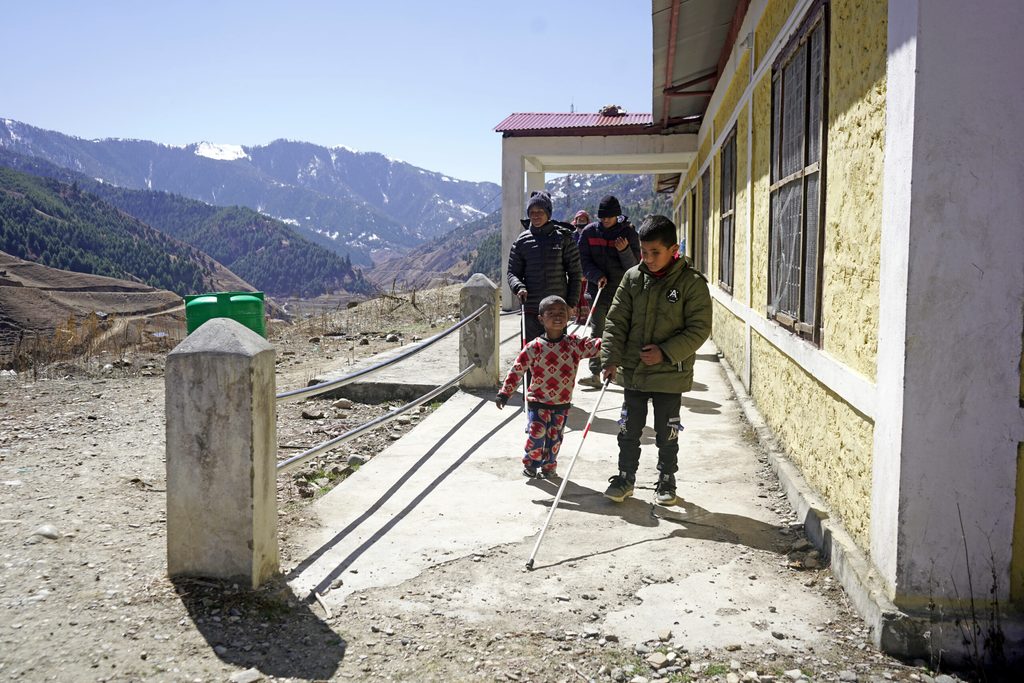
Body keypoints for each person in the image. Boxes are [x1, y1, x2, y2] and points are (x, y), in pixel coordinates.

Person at [599, 214, 712, 506]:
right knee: (629, 428)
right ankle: (625, 477)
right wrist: (610, 358)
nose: (647, 258)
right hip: (633, 371)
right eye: (643, 251)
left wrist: (665, 352)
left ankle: (666, 479)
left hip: (669, 373)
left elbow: (699, 328)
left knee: (667, 430)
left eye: (655, 253)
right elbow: (616, 321)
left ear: (674, 250)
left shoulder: (691, 283)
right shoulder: (632, 278)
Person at [496, 296, 601, 479]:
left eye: (562, 312)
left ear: (569, 315)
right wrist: (505, 393)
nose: (557, 317)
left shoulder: (574, 345)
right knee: (537, 435)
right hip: (538, 401)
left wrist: (618, 341)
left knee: (555, 439)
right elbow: (517, 370)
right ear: (541, 319)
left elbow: (597, 346)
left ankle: (549, 466)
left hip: (561, 403)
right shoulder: (534, 347)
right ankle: (531, 463)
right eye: (551, 313)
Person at [577, 195, 640, 387]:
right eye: (602, 217)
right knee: (597, 331)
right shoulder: (589, 232)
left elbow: (634, 265)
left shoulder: (628, 233)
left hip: (621, 292)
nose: (606, 221)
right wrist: (596, 276)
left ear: (617, 215)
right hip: (597, 291)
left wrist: (624, 250)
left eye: (610, 217)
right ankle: (595, 374)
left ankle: (619, 371)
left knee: (621, 331)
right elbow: (583, 261)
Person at [507, 191, 582, 343]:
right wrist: (518, 287)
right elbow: (512, 272)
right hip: (531, 310)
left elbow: (575, 273)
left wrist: (570, 304)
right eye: (532, 212)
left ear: (548, 213)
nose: (535, 216)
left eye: (540, 211)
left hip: (557, 310)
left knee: (557, 354)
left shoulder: (563, 238)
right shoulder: (522, 241)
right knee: (531, 356)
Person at [570, 210, 591, 323]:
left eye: (583, 219)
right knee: (576, 293)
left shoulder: (591, 234)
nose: (581, 221)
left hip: (587, 268)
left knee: (586, 294)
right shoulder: (572, 235)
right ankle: (578, 316)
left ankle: (587, 317)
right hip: (575, 268)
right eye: (579, 219)